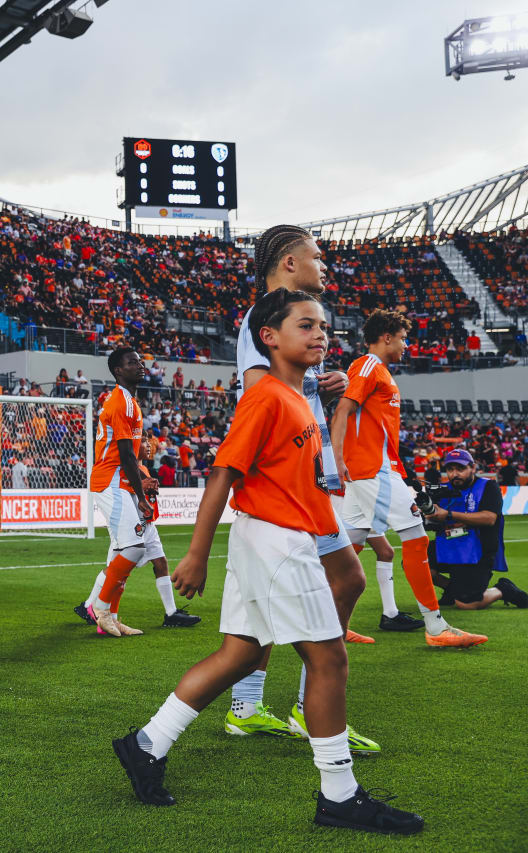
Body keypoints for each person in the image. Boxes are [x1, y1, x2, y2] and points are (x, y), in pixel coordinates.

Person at [112, 289, 424, 836]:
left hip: (274, 538)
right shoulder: (267, 397)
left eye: (324, 326)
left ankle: (146, 744)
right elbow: (222, 474)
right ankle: (339, 795)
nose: (321, 335)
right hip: (278, 542)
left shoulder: (299, 396)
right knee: (328, 660)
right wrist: (196, 554)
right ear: (269, 338)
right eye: (306, 325)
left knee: (240, 653)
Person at [224, 225, 380, 752]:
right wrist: (313, 384)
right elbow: (259, 392)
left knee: (317, 587)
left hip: (303, 474)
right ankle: (295, 704)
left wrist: (323, 381)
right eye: (317, 257)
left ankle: (255, 707)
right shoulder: (266, 314)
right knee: (343, 579)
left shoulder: (280, 315)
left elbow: (286, 383)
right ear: (289, 262)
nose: (324, 265)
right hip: (286, 481)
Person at [331, 309, 487, 648]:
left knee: (348, 546)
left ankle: (330, 624)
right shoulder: (369, 366)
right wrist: (339, 460)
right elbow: (342, 410)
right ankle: (436, 626)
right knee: (416, 537)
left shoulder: (379, 371)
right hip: (372, 469)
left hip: (374, 469)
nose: (406, 344)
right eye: (402, 338)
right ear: (386, 336)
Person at [78, 348, 159, 636]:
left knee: (120, 555)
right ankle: (99, 608)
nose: (139, 365)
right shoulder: (121, 403)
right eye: (131, 362)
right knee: (134, 548)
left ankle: (111, 618)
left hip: (117, 482)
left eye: (139, 361)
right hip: (110, 482)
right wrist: (140, 497)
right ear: (117, 371)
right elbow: (126, 456)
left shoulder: (128, 401)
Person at [425, 448, 525, 609]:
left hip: (479, 550)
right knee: (414, 562)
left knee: (466, 604)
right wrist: (428, 516)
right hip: (449, 545)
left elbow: (489, 518)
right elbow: (434, 519)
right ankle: (453, 590)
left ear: (472, 467)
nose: (454, 474)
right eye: (450, 469)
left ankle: (502, 589)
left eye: (460, 468)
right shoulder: (442, 489)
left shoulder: (488, 486)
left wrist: (449, 515)